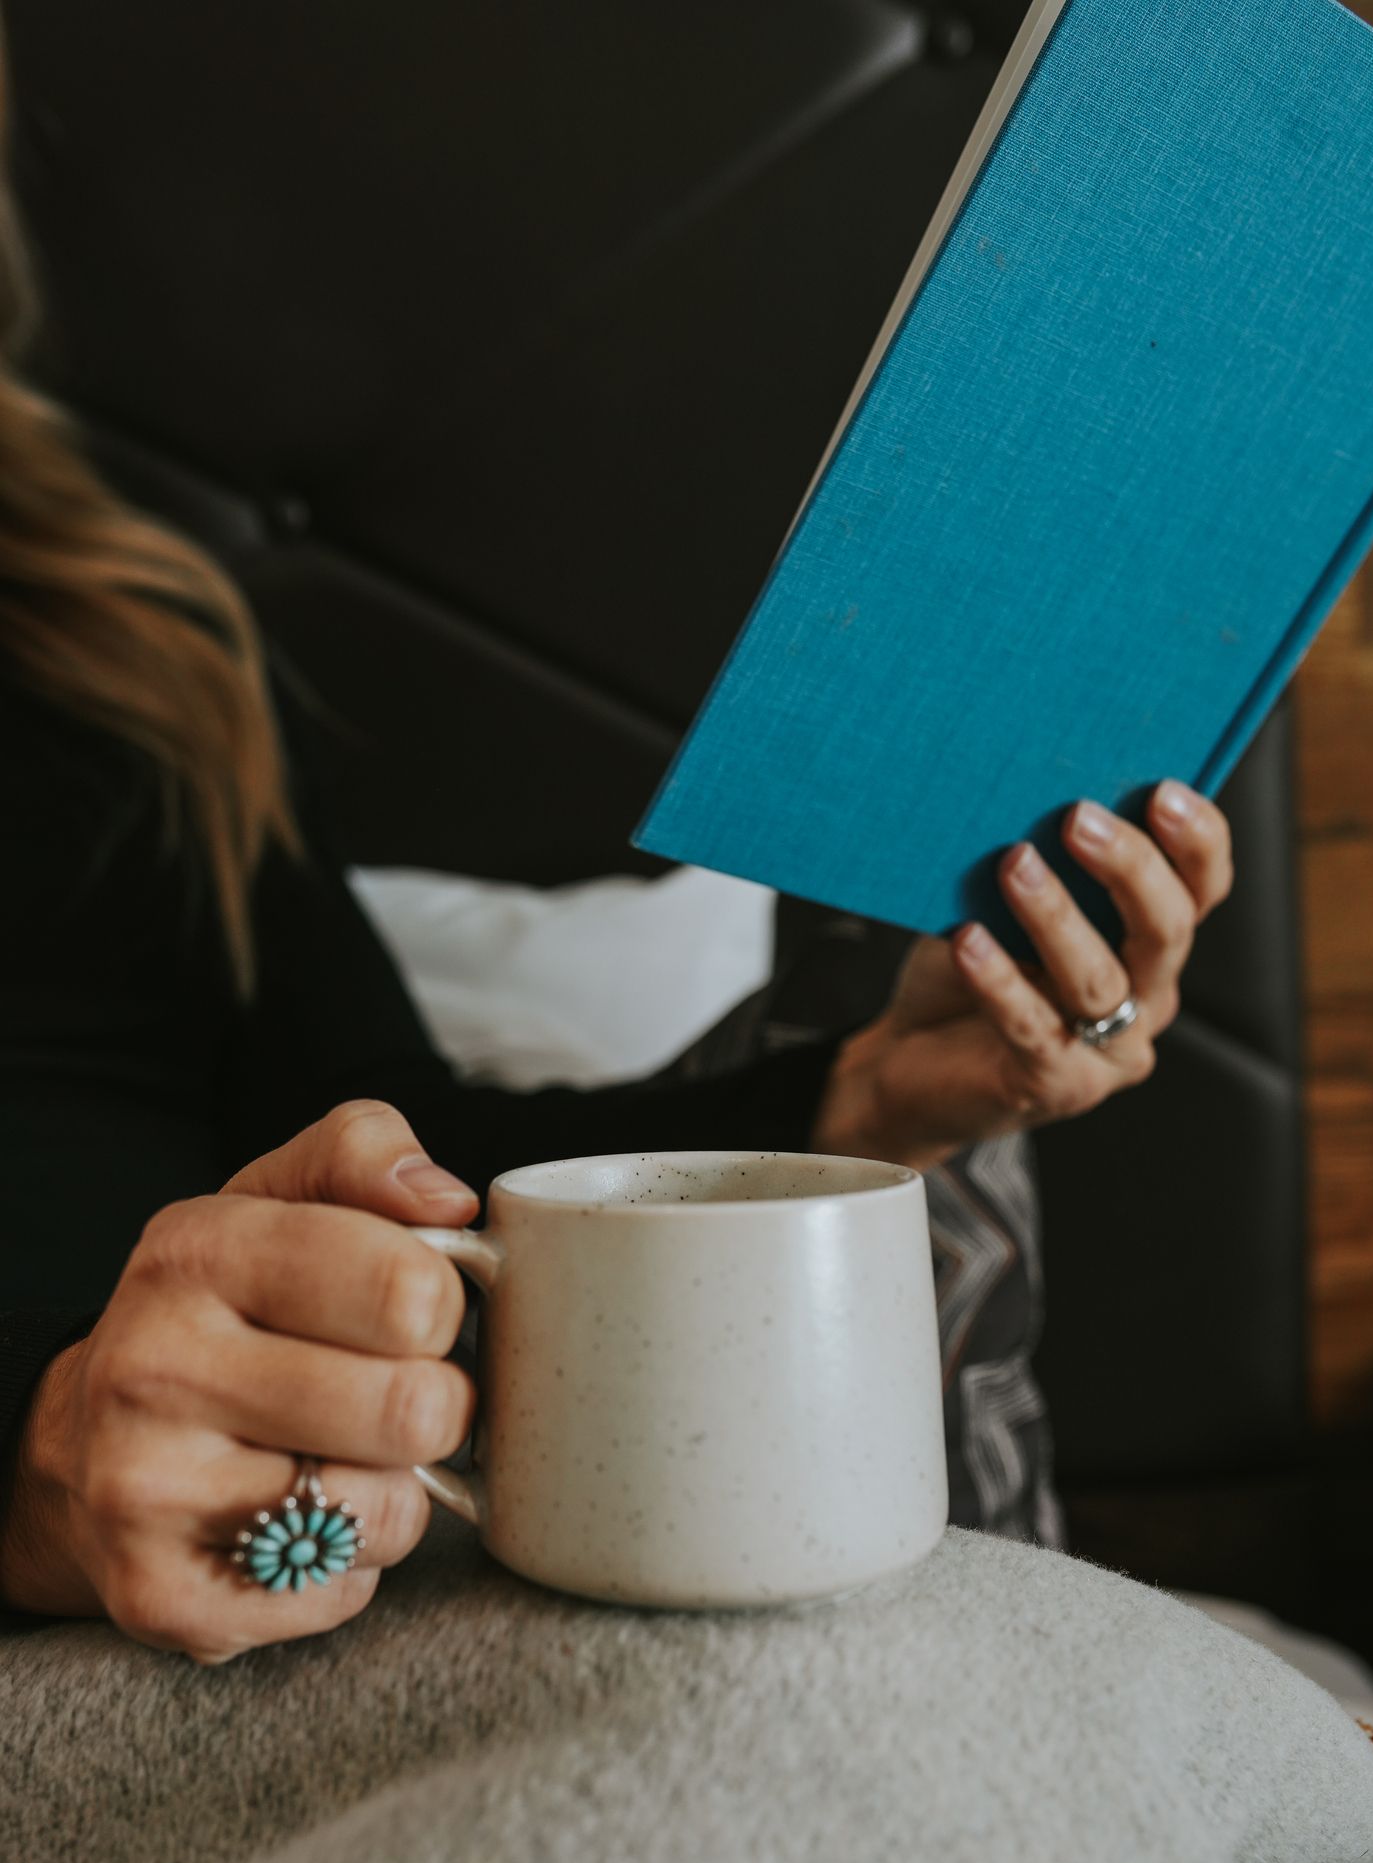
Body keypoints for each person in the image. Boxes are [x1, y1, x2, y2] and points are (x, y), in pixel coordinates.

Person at [0, 98, 1232, 1662]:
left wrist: (851, 1104)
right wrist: (28, 1467)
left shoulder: (128, 668)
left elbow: (394, 1146)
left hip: (318, 1596)